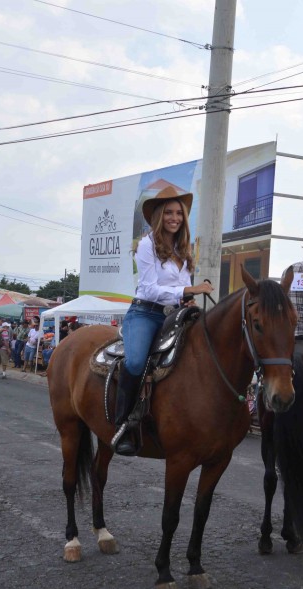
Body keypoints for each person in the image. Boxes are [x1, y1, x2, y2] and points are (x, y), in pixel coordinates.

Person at [111, 186, 213, 456]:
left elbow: (181, 287)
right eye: (169, 212)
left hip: (174, 314)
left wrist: (187, 299)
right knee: (135, 361)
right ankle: (124, 423)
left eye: (179, 213)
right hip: (145, 313)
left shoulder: (183, 248)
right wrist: (189, 291)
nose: (174, 217)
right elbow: (149, 289)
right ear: (158, 215)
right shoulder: (146, 244)